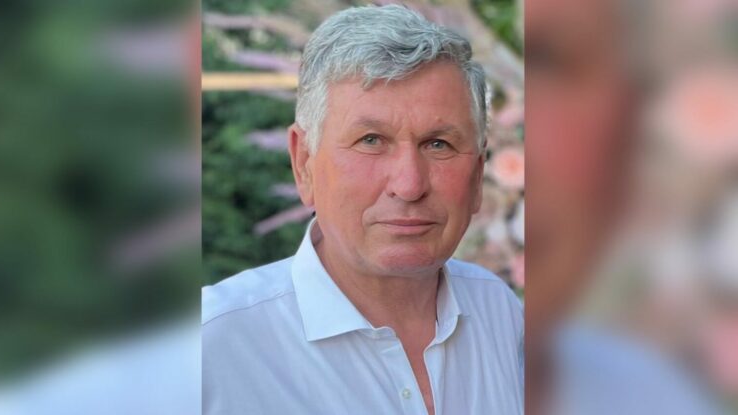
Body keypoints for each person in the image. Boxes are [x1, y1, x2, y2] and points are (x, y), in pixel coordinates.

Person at [202, 5, 523, 415]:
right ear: (304, 163)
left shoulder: (500, 312)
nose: (409, 184)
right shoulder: (208, 350)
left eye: (438, 144)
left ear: (478, 175)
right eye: (371, 140)